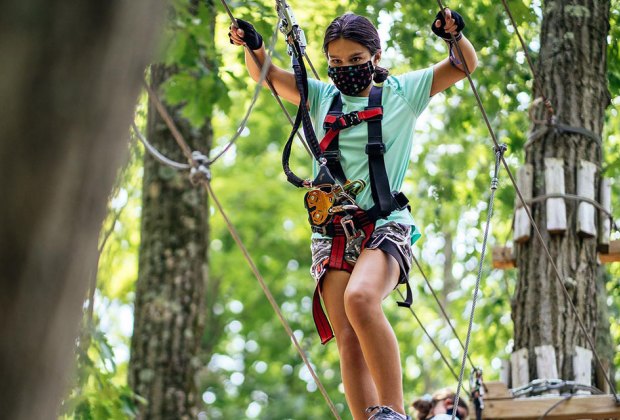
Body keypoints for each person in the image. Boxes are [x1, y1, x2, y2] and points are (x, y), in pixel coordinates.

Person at [229, 8, 477, 420]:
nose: (346, 70)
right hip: (333, 232)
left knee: (361, 300)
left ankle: (393, 412)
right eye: (336, 63)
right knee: (346, 334)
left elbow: (463, 64)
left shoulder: (403, 92)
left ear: (375, 56)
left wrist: (453, 36)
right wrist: (254, 46)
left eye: (356, 61)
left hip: (385, 226)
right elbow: (266, 76)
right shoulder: (323, 97)